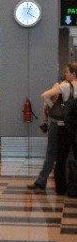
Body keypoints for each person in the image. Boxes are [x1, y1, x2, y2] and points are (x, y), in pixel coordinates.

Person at [36, 64, 77, 193]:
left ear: (73, 73)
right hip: (73, 126)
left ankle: (45, 182)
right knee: (71, 155)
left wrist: (53, 106)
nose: (65, 74)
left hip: (59, 123)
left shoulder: (65, 86)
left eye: (67, 72)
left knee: (54, 154)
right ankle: (72, 186)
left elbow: (45, 95)